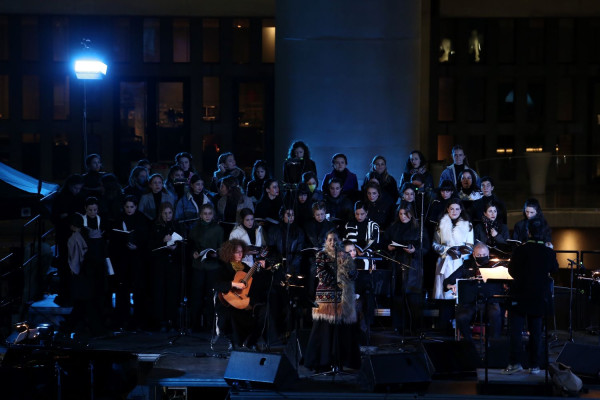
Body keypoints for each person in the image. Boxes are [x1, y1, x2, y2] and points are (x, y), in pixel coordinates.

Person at [503, 217, 558, 375]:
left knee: (515, 331)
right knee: (536, 332)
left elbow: (511, 271)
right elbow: (554, 268)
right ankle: (535, 366)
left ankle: (515, 363)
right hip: (539, 296)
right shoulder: (548, 252)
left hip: (520, 294)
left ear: (528, 232)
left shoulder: (521, 250)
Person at [304, 231, 361, 372]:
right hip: (326, 298)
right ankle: (322, 361)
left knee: (340, 331)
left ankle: (339, 361)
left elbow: (352, 271)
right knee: (324, 330)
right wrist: (340, 278)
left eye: (335, 239)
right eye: (329, 240)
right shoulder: (321, 255)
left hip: (341, 297)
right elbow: (323, 275)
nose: (332, 242)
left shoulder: (343, 255)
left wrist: (351, 274)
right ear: (326, 241)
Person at [213, 239, 276, 349]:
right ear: (229, 252)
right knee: (233, 313)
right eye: (237, 252)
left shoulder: (246, 267)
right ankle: (236, 343)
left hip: (245, 301)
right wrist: (234, 284)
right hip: (228, 303)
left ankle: (250, 341)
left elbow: (258, 284)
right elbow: (217, 284)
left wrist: (265, 269)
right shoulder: (223, 267)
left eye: (241, 251)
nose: (240, 254)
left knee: (264, 310)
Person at [443, 243, 502, 343]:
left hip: (490, 301)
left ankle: (493, 343)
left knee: (495, 314)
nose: (482, 257)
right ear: (474, 254)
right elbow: (447, 281)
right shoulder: (467, 265)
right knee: (461, 317)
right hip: (470, 302)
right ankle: (469, 343)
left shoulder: (495, 266)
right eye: (479, 255)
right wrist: (450, 286)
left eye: (484, 255)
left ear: (488, 254)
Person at [384, 205, 429, 333]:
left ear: (411, 214)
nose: (403, 217)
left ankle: (415, 328)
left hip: (413, 265)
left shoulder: (418, 228)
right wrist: (389, 247)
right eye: (401, 214)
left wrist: (415, 250)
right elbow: (385, 242)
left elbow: (425, 247)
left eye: (405, 214)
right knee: (398, 296)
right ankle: (398, 327)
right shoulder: (393, 227)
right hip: (396, 263)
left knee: (413, 298)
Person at [109, 195, 149, 330]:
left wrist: (137, 246)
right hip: (123, 259)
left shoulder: (142, 218)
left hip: (137, 259)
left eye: (132, 207)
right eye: (127, 207)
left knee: (138, 289)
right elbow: (114, 239)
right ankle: (123, 318)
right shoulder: (118, 219)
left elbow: (146, 238)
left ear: (136, 207)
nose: (129, 209)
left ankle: (138, 320)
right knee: (122, 289)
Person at [189, 203, 224, 332]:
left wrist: (216, 254)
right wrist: (193, 252)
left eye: (210, 213)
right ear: (200, 215)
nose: (207, 216)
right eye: (205, 214)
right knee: (196, 295)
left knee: (211, 296)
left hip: (213, 267)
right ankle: (195, 323)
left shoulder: (218, 229)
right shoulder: (194, 228)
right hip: (198, 266)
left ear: (213, 215)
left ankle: (211, 323)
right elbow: (191, 244)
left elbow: (222, 247)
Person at [51, 174, 85, 306]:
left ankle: (72, 293)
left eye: (79, 188)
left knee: (74, 263)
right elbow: (56, 217)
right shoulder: (62, 197)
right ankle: (66, 293)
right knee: (66, 263)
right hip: (65, 235)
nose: (77, 190)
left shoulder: (78, 197)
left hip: (73, 234)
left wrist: (67, 216)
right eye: (76, 188)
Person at [148, 202, 181, 331]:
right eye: (165, 213)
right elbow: (150, 246)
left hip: (173, 264)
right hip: (159, 265)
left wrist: (175, 248)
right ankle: (160, 321)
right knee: (159, 292)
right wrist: (162, 241)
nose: (168, 216)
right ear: (161, 214)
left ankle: (171, 319)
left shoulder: (176, 225)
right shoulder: (155, 226)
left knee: (172, 293)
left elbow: (182, 244)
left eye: (170, 213)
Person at [432, 199, 473, 300]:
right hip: (444, 261)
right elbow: (435, 244)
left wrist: (460, 252)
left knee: (458, 294)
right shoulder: (441, 225)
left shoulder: (468, 225)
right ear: (447, 209)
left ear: (461, 210)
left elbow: (470, 246)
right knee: (444, 293)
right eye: (452, 209)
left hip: (459, 263)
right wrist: (447, 249)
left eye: (457, 209)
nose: (454, 211)